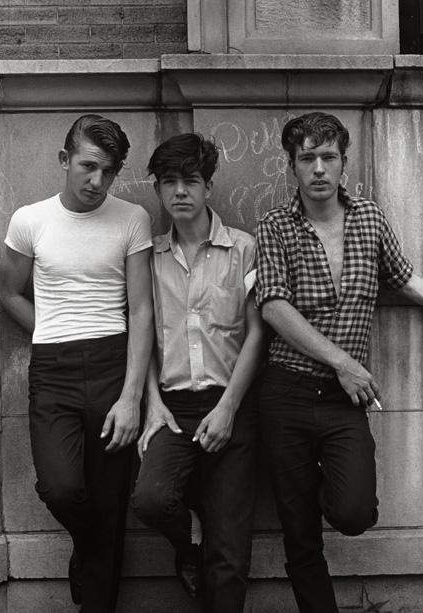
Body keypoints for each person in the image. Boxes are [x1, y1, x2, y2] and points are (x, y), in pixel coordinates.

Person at [254, 111, 423, 613]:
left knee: (354, 512)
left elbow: (409, 282)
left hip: (342, 401)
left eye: (328, 157)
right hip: (284, 392)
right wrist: (344, 362)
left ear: (343, 163)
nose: (319, 169)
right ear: (293, 167)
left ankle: (317, 484)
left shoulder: (369, 219)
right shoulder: (274, 226)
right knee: (299, 532)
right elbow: (273, 306)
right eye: (306, 158)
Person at [0, 114, 154, 612]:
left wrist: (132, 397)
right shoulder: (30, 220)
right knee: (61, 488)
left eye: (109, 171)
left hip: (113, 361)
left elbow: (143, 309)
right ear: (65, 160)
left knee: (110, 504)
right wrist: (48, 332)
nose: (97, 181)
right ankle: (88, 549)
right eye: (88, 166)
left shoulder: (133, 219)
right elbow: (7, 292)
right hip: (53, 368)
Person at [131, 133, 264, 613]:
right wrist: (153, 404)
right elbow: (141, 337)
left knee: (229, 553)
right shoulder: (148, 257)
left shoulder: (245, 250)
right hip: (174, 407)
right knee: (150, 499)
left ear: (209, 186)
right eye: (169, 182)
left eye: (190, 181)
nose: (180, 192)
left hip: (233, 404)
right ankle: (188, 538)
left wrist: (228, 409)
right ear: (159, 191)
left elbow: (258, 334)